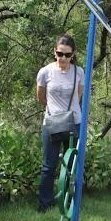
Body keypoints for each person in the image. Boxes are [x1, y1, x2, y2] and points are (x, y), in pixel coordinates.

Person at [36, 34, 84, 212]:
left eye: (67, 54)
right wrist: (54, 110)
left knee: (73, 165)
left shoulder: (78, 71)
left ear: (73, 55)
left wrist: (68, 110)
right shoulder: (45, 72)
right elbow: (41, 96)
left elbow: (79, 95)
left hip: (74, 122)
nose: (63, 58)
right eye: (60, 53)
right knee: (49, 166)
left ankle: (70, 201)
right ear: (54, 52)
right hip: (51, 123)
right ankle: (45, 203)